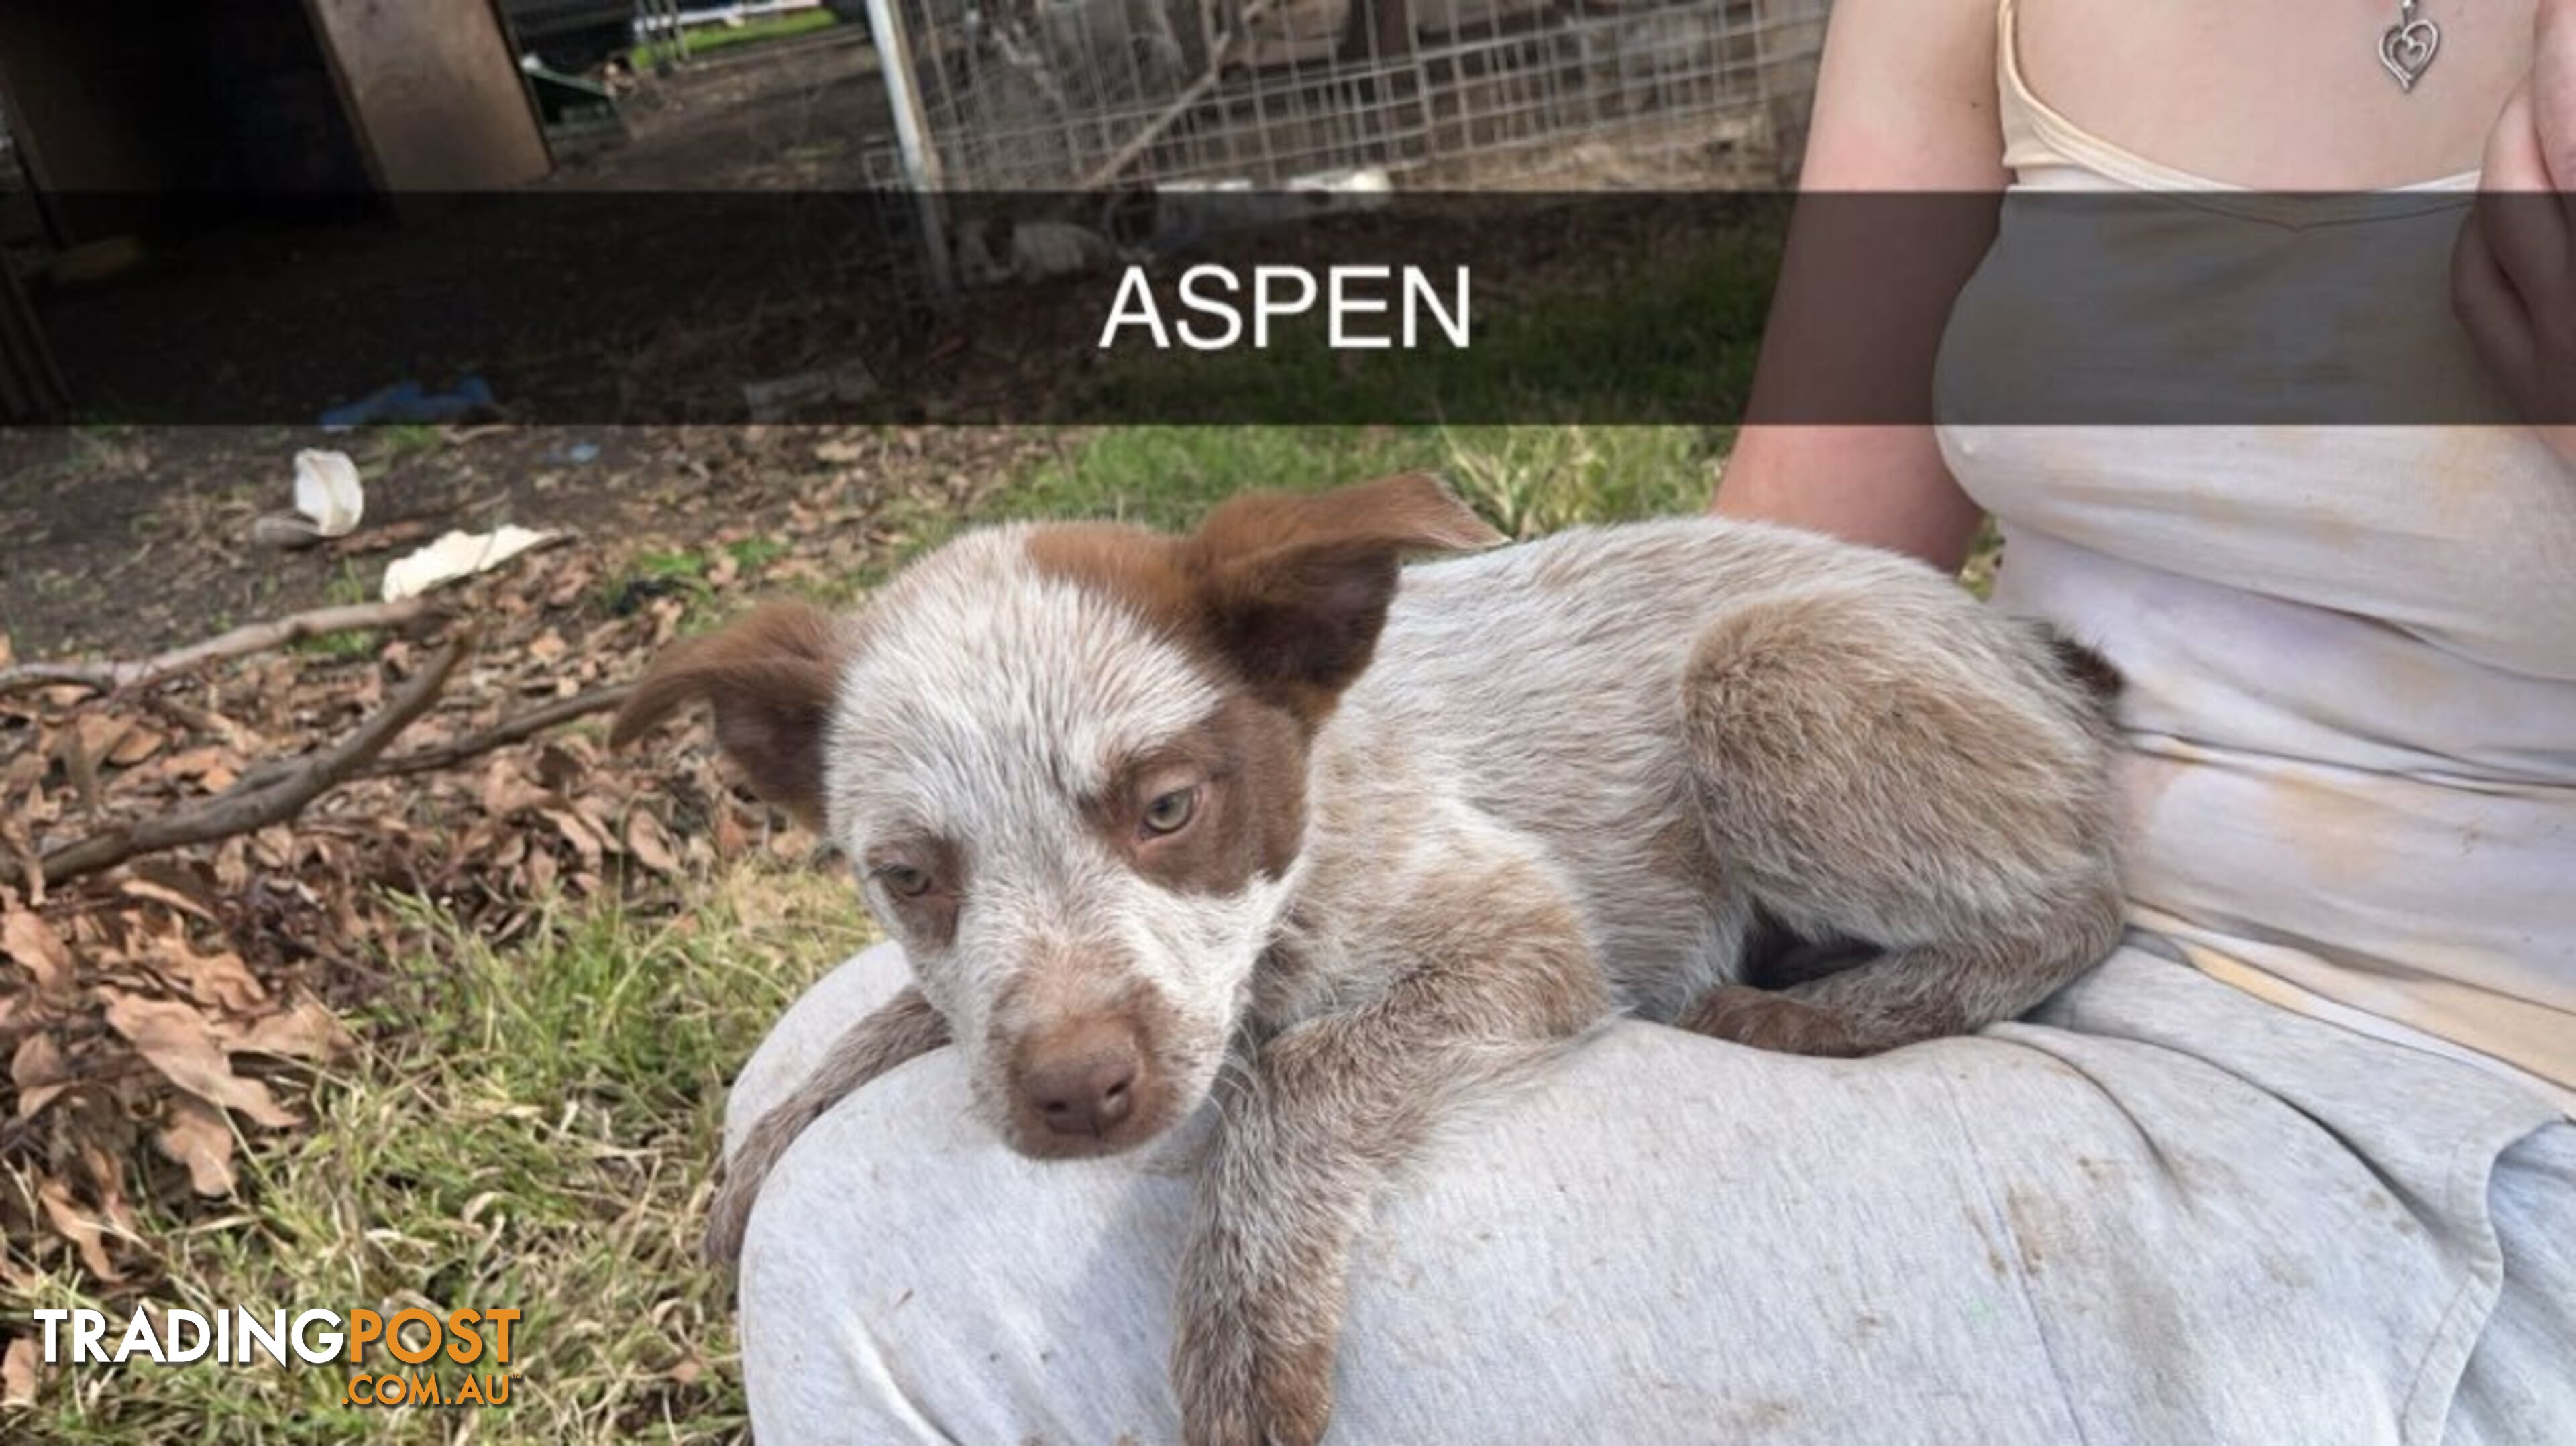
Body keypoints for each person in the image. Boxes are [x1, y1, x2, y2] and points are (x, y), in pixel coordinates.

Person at [724, 0, 2575, 1437]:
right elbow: (1786, 541)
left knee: (931, 1255)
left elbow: (1514, 938)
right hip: (1916, 856)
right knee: (859, 1112)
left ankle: (2010, 937)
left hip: (2429, 1104)